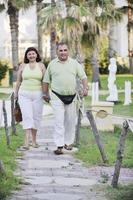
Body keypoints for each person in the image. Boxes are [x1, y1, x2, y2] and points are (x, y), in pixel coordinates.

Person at [42, 42, 88, 155]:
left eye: (65, 50)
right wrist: (45, 94)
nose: (63, 52)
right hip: (56, 95)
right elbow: (46, 81)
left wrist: (85, 88)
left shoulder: (74, 63)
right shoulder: (52, 64)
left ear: (68, 51)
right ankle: (59, 145)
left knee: (70, 121)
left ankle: (68, 143)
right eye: (60, 50)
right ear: (57, 51)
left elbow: (83, 77)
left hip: (72, 96)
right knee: (58, 121)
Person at [14, 47, 46, 150]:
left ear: (36, 55)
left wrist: (46, 93)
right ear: (26, 56)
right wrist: (16, 93)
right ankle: (26, 142)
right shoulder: (23, 66)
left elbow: (45, 81)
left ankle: (34, 141)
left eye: (33, 53)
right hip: (24, 94)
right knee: (27, 116)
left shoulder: (41, 66)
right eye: (29, 54)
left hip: (38, 94)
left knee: (36, 117)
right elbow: (18, 81)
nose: (31, 55)